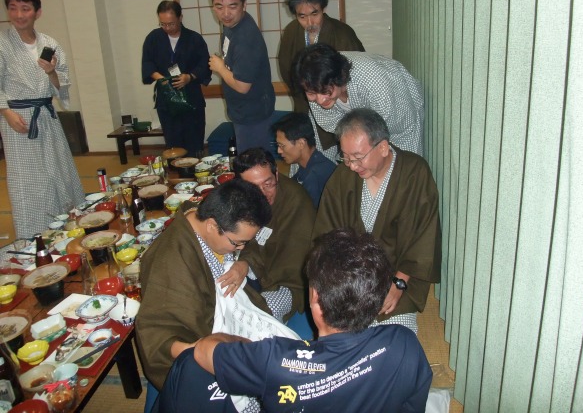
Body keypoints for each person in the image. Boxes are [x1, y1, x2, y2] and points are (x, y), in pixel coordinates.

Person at [156, 228, 433, 412]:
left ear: (314, 297)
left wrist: (244, 344)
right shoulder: (404, 343)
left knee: (187, 366)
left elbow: (204, 350)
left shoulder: (276, 360)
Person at [136, 179, 272, 391]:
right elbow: (154, 333)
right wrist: (202, 351)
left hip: (231, 312)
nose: (241, 248)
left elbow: (248, 242)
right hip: (201, 341)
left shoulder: (207, 218)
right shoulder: (171, 263)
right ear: (211, 226)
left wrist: (243, 263)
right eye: (237, 243)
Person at [313, 108, 442, 334]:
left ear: (383, 147)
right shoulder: (343, 176)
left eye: (358, 157)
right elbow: (326, 233)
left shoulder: (414, 173)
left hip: (397, 275)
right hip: (352, 278)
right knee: (343, 336)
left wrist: (399, 283)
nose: (352, 165)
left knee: (396, 335)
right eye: (346, 157)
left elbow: (423, 237)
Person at [0, 0, 85, 238]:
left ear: (37, 12)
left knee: (59, 170)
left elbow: (62, 86)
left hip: (46, 115)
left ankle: (66, 225)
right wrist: (6, 112)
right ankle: (34, 233)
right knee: (28, 179)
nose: (19, 14)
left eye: (25, 8)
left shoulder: (50, 44)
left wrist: (51, 71)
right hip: (18, 118)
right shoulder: (2, 43)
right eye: (13, 8)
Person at [292, 43, 425, 156]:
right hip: (370, 131)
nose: (320, 100)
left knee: (402, 168)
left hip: (401, 122)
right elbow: (335, 125)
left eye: (325, 91)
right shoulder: (314, 84)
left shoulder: (374, 81)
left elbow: (400, 127)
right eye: (311, 93)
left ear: (340, 77)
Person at [278, 0, 364, 153]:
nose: (310, 22)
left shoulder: (343, 33)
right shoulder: (291, 32)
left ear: (323, 8)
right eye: (302, 16)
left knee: (331, 154)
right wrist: (306, 92)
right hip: (305, 105)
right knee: (303, 155)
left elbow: (355, 75)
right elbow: (286, 67)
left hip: (336, 106)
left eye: (314, 13)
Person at [233, 148, 316, 325]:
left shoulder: (296, 202)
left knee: (261, 315)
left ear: (276, 175)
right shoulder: (243, 197)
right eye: (253, 188)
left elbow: (294, 263)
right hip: (256, 265)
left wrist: (248, 264)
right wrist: (245, 263)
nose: (263, 193)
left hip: (288, 281)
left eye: (268, 183)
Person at [208, 0, 275, 153]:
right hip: (244, 109)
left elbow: (242, 86)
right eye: (219, 7)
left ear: (244, 5)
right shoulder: (232, 25)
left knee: (253, 163)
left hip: (252, 112)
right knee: (253, 160)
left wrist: (220, 68)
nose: (225, 14)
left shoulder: (246, 37)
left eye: (232, 6)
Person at [141, 0, 211, 157]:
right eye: (163, 24)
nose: (167, 28)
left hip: (191, 98)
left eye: (171, 24)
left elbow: (204, 64)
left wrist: (189, 77)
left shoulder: (194, 38)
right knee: (173, 146)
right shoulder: (153, 38)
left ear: (180, 18)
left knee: (194, 144)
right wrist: (161, 79)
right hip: (167, 100)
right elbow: (147, 63)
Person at [272, 112, 336, 208]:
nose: (279, 151)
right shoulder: (308, 166)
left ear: (301, 143)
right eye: (278, 145)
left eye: (282, 146)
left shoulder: (315, 175)